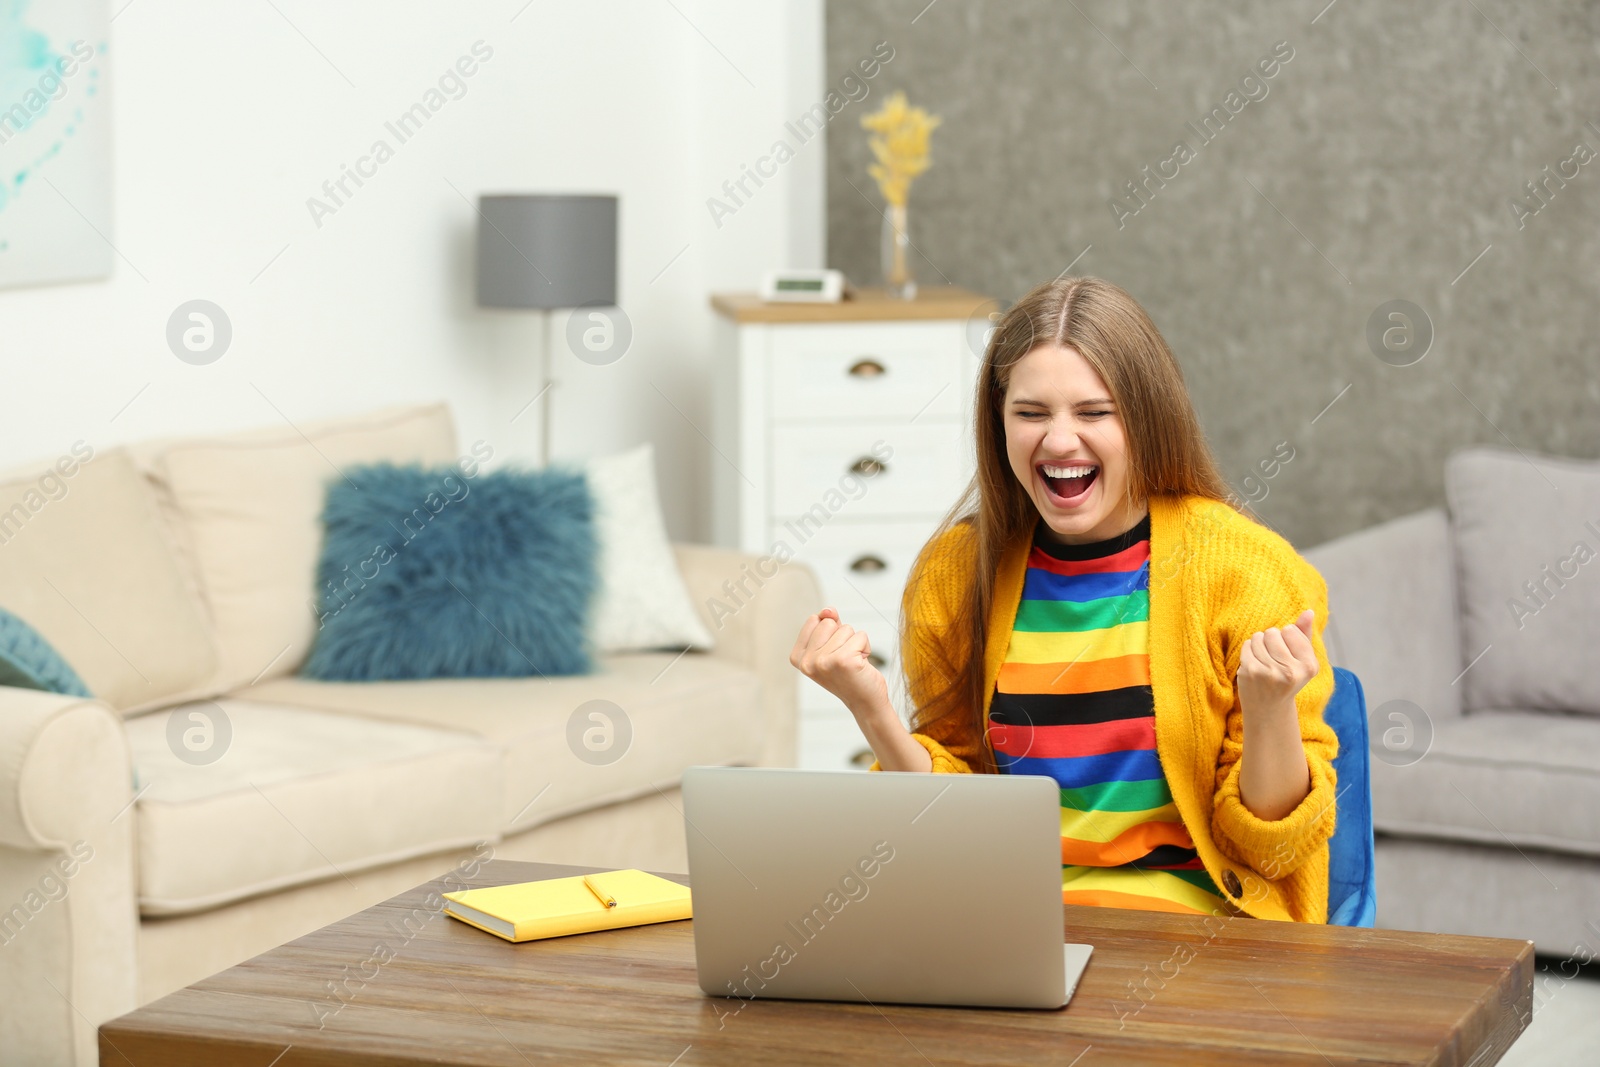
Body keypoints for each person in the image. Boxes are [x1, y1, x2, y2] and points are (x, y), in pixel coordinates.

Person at [789, 275, 1338, 924]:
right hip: (1014, 928)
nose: (1058, 441)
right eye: (1030, 413)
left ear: (1146, 418)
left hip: (1194, 939)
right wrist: (871, 708)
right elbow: (950, 831)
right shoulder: (954, 572)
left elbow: (1271, 850)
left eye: (1093, 412)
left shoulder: (1247, 570)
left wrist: (1269, 708)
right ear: (998, 424)